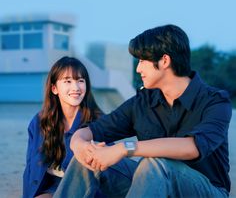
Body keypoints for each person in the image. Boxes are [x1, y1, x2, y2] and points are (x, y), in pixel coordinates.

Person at [54, 24, 232, 198]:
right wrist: (80, 146)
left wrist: (125, 148)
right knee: (89, 158)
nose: (138, 69)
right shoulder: (143, 102)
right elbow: (90, 131)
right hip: (150, 185)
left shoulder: (215, 101)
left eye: (142, 61)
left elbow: (193, 147)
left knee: (154, 163)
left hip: (205, 191)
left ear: (164, 61)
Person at [22, 56, 103, 198]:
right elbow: (30, 169)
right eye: (68, 81)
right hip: (49, 185)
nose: (76, 88)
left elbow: (109, 171)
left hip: (83, 188)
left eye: (80, 81)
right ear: (54, 89)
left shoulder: (98, 121)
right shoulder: (39, 122)